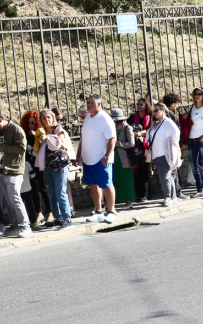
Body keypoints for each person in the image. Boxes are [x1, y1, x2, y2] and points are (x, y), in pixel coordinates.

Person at [0, 111, 32, 237]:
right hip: (1, 169)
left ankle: (25, 226)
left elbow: (22, 148)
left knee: (15, 198)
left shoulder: (16, 129)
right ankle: (15, 225)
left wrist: (2, 148)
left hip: (14, 169)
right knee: (9, 201)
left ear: (0, 120)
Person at [78, 95, 118, 223]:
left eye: (91, 102)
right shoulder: (88, 118)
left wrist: (106, 156)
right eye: (87, 102)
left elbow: (112, 138)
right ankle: (99, 211)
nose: (88, 105)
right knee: (93, 186)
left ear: (99, 104)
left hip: (101, 159)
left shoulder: (105, 119)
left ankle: (111, 211)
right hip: (88, 159)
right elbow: (83, 138)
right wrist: (78, 155)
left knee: (107, 185)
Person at [36, 109, 74, 228]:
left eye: (49, 117)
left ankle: (67, 218)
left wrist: (48, 138)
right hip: (48, 166)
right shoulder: (41, 132)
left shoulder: (58, 130)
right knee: (52, 193)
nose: (47, 120)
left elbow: (61, 145)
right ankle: (58, 217)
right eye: (44, 118)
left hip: (60, 165)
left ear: (53, 118)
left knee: (60, 192)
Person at [147, 103, 181, 207]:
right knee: (168, 176)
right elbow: (148, 138)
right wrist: (151, 126)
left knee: (165, 176)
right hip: (157, 153)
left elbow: (176, 133)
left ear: (163, 110)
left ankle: (167, 197)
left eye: (157, 110)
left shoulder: (168, 122)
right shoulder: (156, 124)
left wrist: (171, 144)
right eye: (154, 110)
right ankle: (173, 197)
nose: (155, 112)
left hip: (164, 153)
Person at [21, 110, 50, 228]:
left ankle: (50, 212)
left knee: (44, 189)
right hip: (30, 165)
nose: (30, 125)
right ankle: (39, 213)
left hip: (40, 164)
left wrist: (36, 137)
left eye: (33, 122)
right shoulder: (24, 134)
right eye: (28, 123)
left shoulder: (40, 133)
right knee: (34, 189)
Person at [109, 108, 138, 208]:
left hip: (125, 159)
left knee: (127, 181)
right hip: (115, 158)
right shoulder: (113, 128)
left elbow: (131, 143)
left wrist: (117, 143)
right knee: (117, 179)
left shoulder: (127, 128)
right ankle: (118, 200)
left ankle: (129, 201)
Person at [161, 92, 187, 201]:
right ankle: (177, 192)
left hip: (162, 145)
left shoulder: (159, 115)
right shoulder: (172, 116)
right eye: (175, 104)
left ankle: (173, 192)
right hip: (172, 146)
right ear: (172, 104)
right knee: (174, 169)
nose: (176, 106)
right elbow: (177, 132)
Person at [129, 98, 152, 202]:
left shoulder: (150, 117)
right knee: (136, 172)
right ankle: (139, 194)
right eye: (138, 104)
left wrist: (140, 133)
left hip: (146, 148)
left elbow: (150, 130)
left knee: (144, 171)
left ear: (146, 106)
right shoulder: (133, 117)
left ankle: (145, 195)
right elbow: (126, 126)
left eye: (142, 104)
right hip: (136, 147)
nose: (139, 106)